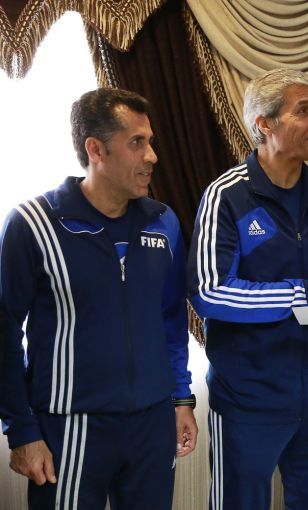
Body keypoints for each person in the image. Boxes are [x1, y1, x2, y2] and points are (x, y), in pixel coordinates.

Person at [187, 69, 308, 510]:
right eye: (304, 110)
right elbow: (210, 292)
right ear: (265, 124)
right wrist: (301, 297)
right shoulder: (226, 196)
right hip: (247, 399)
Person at [0, 88, 197, 509]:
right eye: (137, 142)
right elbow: (3, 332)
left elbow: (170, 319)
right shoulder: (32, 225)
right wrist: (20, 430)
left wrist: (181, 398)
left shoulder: (163, 222)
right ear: (96, 149)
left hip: (151, 425)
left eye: (151, 141)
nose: (152, 156)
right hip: (70, 427)